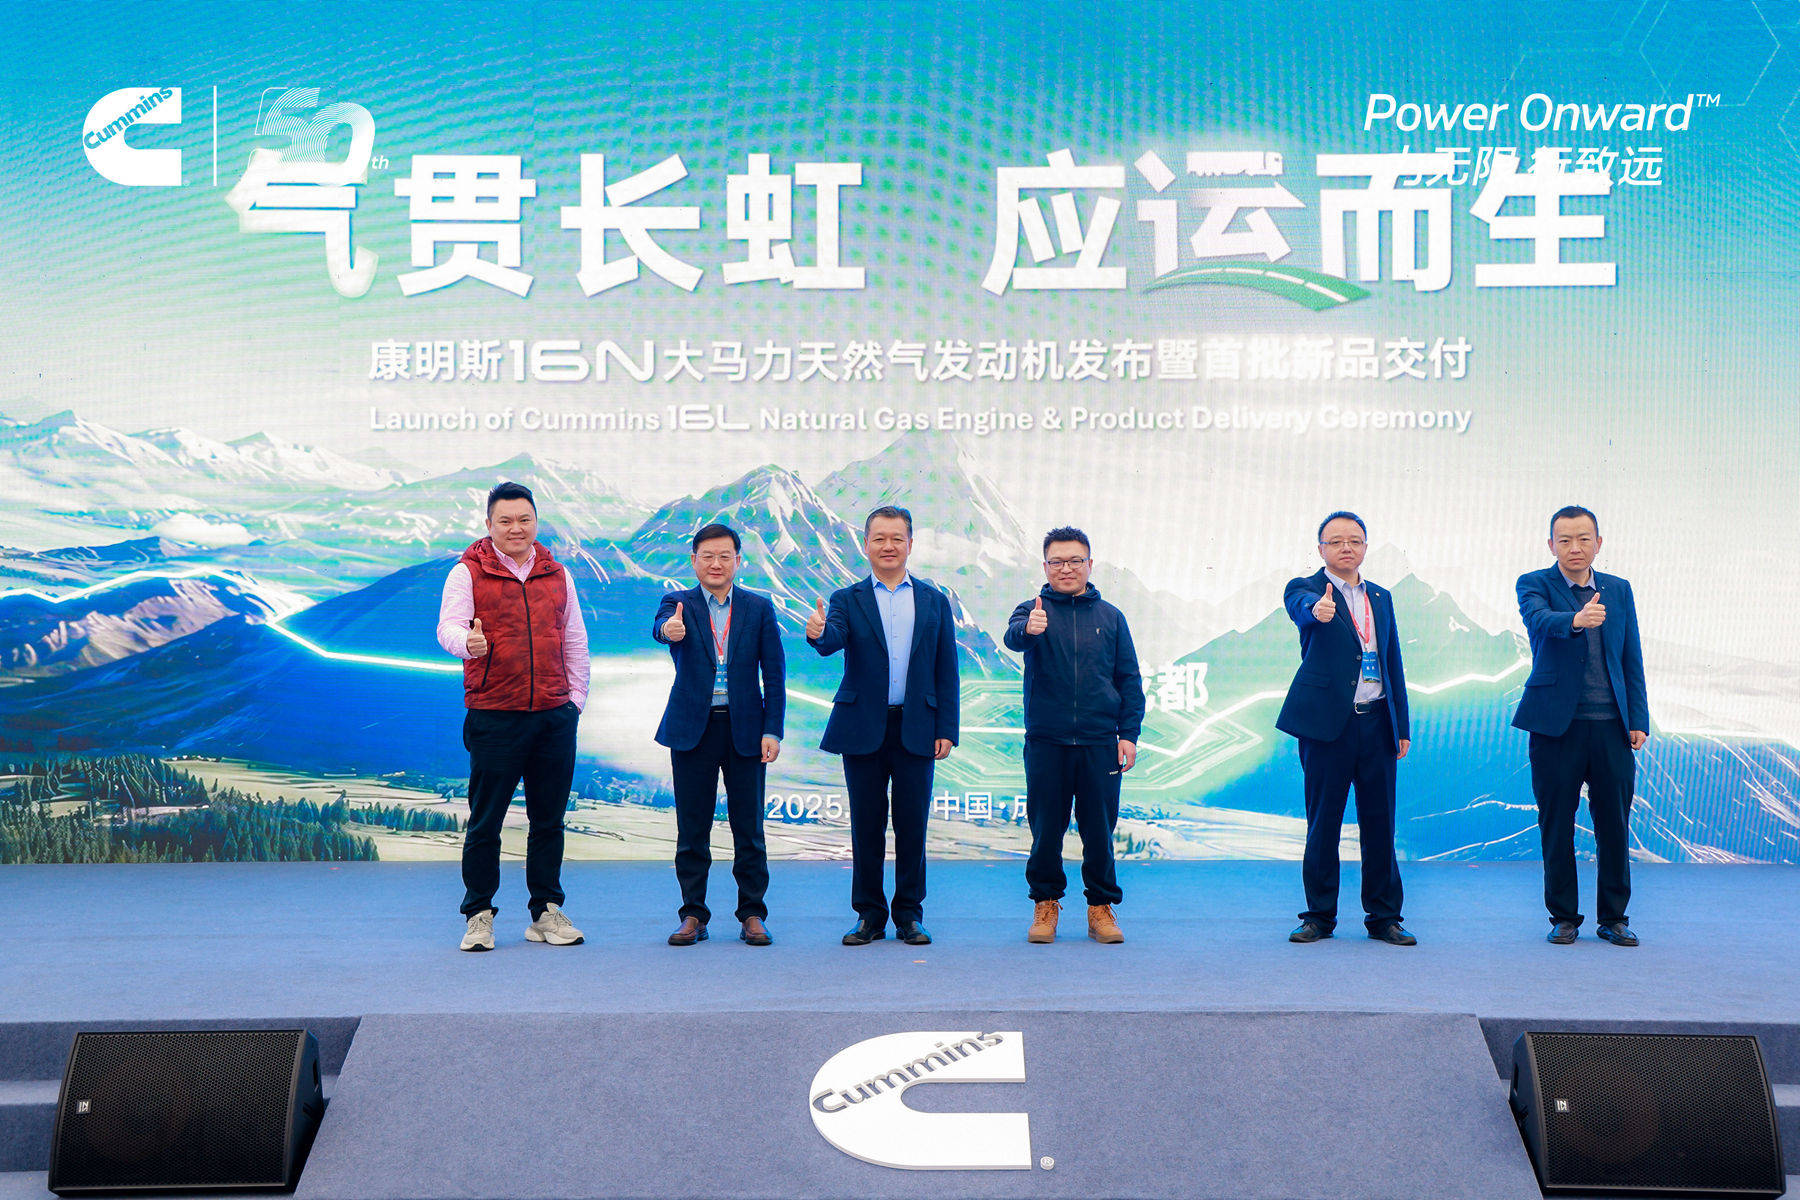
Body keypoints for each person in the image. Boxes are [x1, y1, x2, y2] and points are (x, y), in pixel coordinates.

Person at [435, 481, 589, 952]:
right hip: (494, 715)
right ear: (489, 524)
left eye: (524, 519)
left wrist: (574, 702)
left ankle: (546, 912)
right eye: (505, 520)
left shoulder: (557, 574)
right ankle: (478, 915)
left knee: (549, 821)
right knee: (486, 822)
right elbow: (447, 628)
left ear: (536, 522)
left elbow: (574, 640)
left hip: (553, 716)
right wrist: (468, 643)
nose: (516, 528)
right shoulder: (466, 572)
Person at [806, 505, 959, 946]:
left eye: (896, 538)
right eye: (879, 538)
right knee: (866, 826)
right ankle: (869, 916)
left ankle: (909, 915)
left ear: (910, 544)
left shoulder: (933, 600)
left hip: (918, 727)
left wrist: (947, 728)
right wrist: (817, 632)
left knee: (912, 827)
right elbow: (831, 640)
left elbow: (946, 669)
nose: (888, 546)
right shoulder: (846, 598)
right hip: (862, 728)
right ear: (865, 545)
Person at [1276, 511, 1415, 946]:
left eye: (1354, 540)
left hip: (1377, 723)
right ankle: (1318, 917)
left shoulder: (1381, 597)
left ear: (1365, 547)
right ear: (1321, 549)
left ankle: (1385, 918)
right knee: (1324, 824)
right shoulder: (1305, 589)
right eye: (1335, 541)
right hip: (1326, 728)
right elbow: (1301, 608)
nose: (1346, 548)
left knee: (1380, 824)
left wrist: (1401, 725)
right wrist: (1316, 610)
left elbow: (1392, 662)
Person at [1514, 505, 1649, 947]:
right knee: (1557, 824)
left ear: (1598, 543)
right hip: (1556, 727)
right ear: (1551, 545)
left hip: (1612, 727)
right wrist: (1575, 619)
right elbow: (1538, 621)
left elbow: (1631, 656)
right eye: (1565, 540)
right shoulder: (1534, 583)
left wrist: (1638, 718)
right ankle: (1563, 917)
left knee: (1614, 825)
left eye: (1584, 539)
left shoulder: (1619, 589)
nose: (1575, 547)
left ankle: (1614, 918)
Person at [1003, 527, 1143, 945]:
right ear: (1045, 566)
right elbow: (1012, 638)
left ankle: (1101, 908)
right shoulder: (1032, 610)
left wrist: (1128, 734)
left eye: (1074, 561)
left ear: (1089, 564)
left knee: (1099, 830)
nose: (1066, 568)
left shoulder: (1111, 617)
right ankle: (1045, 904)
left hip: (1100, 742)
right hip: (1047, 741)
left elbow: (1129, 678)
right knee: (1046, 829)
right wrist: (1029, 629)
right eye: (1057, 562)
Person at [652, 523, 785, 947]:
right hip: (693, 730)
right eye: (707, 556)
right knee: (692, 828)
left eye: (724, 556)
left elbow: (775, 674)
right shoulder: (677, 603)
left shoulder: (759, 608)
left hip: (747, 730)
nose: (716, 563)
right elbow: (661, 628)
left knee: (750, 828)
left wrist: (773, 729)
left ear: (737, 561)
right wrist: (668, 631)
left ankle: (753, 914)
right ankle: (693, 914)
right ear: (694, 560)